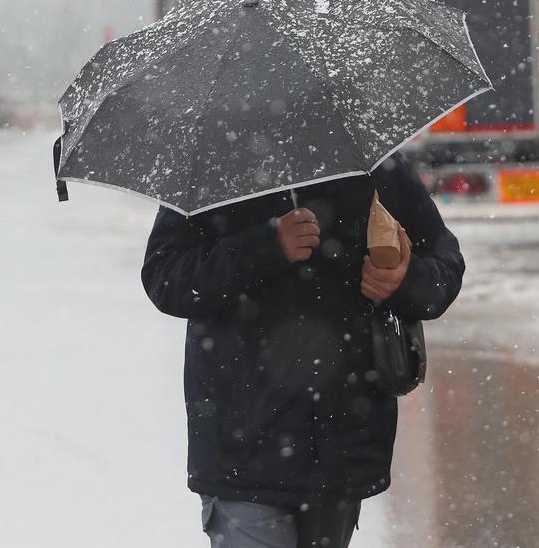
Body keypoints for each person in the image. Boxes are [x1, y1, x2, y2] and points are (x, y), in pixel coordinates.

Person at [141, 154, 464, 548]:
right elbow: (166, 278)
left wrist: (404, 279)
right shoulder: (210, 167)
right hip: (241, 447)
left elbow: (443, 267)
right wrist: (267, 245)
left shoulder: (367, 162)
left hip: (342, 443)